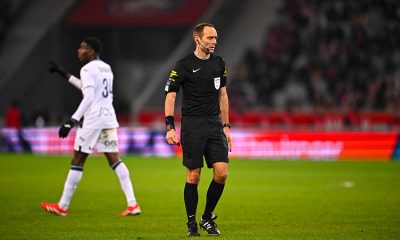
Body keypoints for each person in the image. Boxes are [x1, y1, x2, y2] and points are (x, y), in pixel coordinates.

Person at [41, 37, 141, 217]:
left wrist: (71, 121)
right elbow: (89, 89)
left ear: (93, 51)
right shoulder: (106, 67)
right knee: (114, 159)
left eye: (83, 47)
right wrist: (65, 74)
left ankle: (62, 206)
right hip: (108, 117)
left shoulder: (87, 69)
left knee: (77, 160)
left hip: (93, 119)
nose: (79, 50)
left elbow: (88, 97)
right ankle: (133, 204)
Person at [164, 23, 232, 237]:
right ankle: (191, 223)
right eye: (210, 38)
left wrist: (226, 126)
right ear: (197, 39)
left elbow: (223, 95)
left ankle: (207, 217)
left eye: (216, 38)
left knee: (221, 174)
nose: (214, 42)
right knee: (194, 175)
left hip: (214, 124)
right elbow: (171, 96)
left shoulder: (219, 63)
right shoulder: (183, 65)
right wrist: (169, 127)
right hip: (192, 125)